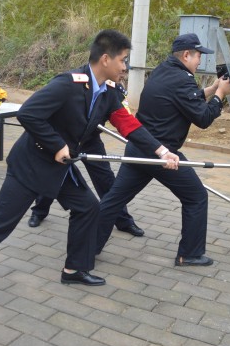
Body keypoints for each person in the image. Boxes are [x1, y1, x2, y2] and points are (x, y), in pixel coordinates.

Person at [0, 29, 179, 317]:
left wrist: (162, 151)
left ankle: (74, 269)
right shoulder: (67, 84)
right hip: (31, 166)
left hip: (60, 168)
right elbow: (28, 114)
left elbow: (128, 125)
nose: (125, 68)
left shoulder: (107, 93)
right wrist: (57, 145)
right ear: (105, 59)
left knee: (88, 207)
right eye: (123, 60)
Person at [97, 33, 230, 267]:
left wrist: (210, 89)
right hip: (161, 153)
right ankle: (189, 254)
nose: (200, 61)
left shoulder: (164, 70)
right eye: (198, 55)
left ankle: (86, 245)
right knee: (196, 197)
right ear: (187, 55)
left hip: (140, 147)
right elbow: (202, 117)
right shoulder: (183, 79)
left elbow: (184, 99)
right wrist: (221, 95)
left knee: (113, 201)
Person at [27, 83, 144, 237]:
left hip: (91, 140)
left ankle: (123, 220)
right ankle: (39, 211)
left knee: (106, 179)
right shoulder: (76, 83)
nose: (123, 69)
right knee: (56, 176)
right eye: (121, 62)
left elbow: (125, 116)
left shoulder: (115, 89)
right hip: (67, 139)